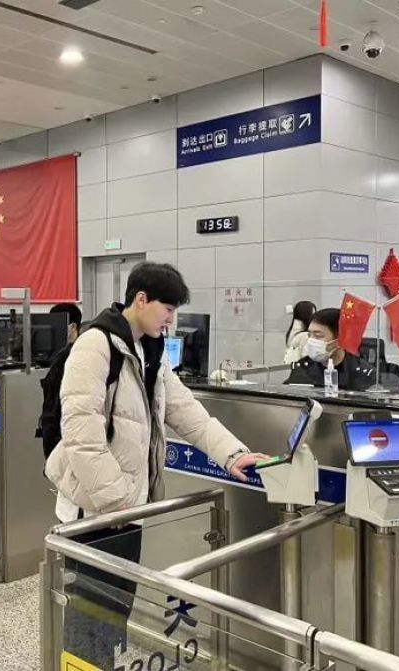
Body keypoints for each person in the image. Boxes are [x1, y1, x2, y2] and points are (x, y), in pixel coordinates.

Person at [45, 262, 270, 670]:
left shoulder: (150, 351)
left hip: (127, 509)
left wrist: (232, 453)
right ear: (141, 299)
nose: (172, 319)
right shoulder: (95, 345)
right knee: (88, 612)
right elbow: (80, 431)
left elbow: (186, 410)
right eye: (167, 309)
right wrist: (115, 501)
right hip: (95, 512)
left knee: (114, 608)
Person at [284, 307, 376, 392]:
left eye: (318, 336)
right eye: (309, 335)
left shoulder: (362, 372)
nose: (311, 341)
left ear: (340, 339)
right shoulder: (303, 367)